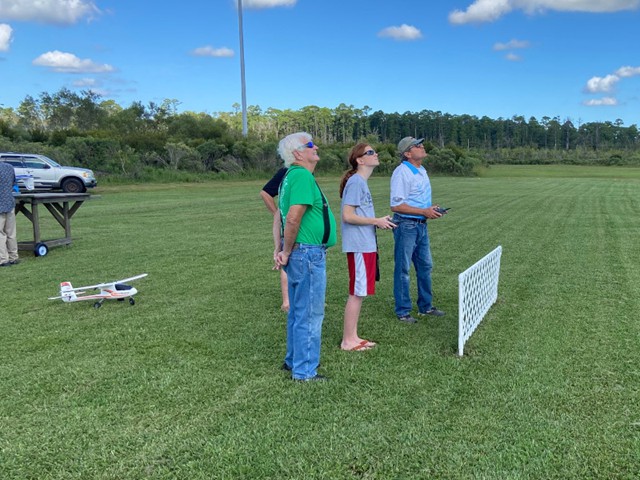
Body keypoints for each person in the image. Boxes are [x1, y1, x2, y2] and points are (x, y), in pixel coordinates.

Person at [275, 132, 336, 382]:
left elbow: (279, 217)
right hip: (308, 253)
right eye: (310, 144)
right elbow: (292, 218)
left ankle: (293, 360)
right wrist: (287, 250)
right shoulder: (301, 175)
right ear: (297, 154)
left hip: (300, 253)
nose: (316, 146)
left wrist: (281, 249)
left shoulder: (290, 176)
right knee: (310, 313)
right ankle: (305, 371)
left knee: (298, 312)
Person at [339, 143, 395, 350]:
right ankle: (347, 341)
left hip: (366, 245)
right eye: (370, 152)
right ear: (360, 160)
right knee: (357, 292)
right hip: (359, 246)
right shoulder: (356, 182)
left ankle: (353, 336)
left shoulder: (360, 182)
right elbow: (347, 216)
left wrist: (379, 221)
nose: (375, 154)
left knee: (360, 291)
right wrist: (375, 221)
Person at [390, 137, 445, 323]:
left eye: (421, 144)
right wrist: (424, 211)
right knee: (403, 268)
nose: (422, 147)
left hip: (421, 224)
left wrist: (430, 209)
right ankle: (403, 311)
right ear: (407, 153)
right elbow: (396, 205)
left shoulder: (421, 170)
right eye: (417, 146)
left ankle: (426, 306)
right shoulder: (402, 172)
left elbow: (417, 199)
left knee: (425, 266)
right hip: (406, 225)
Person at [260, 166, 290, 312]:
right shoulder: (287, 171)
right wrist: (278, 215)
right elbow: (265, 193)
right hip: (291, 225)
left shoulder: (306, 172)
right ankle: (287, 302)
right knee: (287, 260)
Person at [0, 161, 19, 267]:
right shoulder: (9, 167)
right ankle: (13, 257)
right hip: (9, 202)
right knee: (11, 232)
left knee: (0, 233)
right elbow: (13, 184)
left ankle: (3, 259)